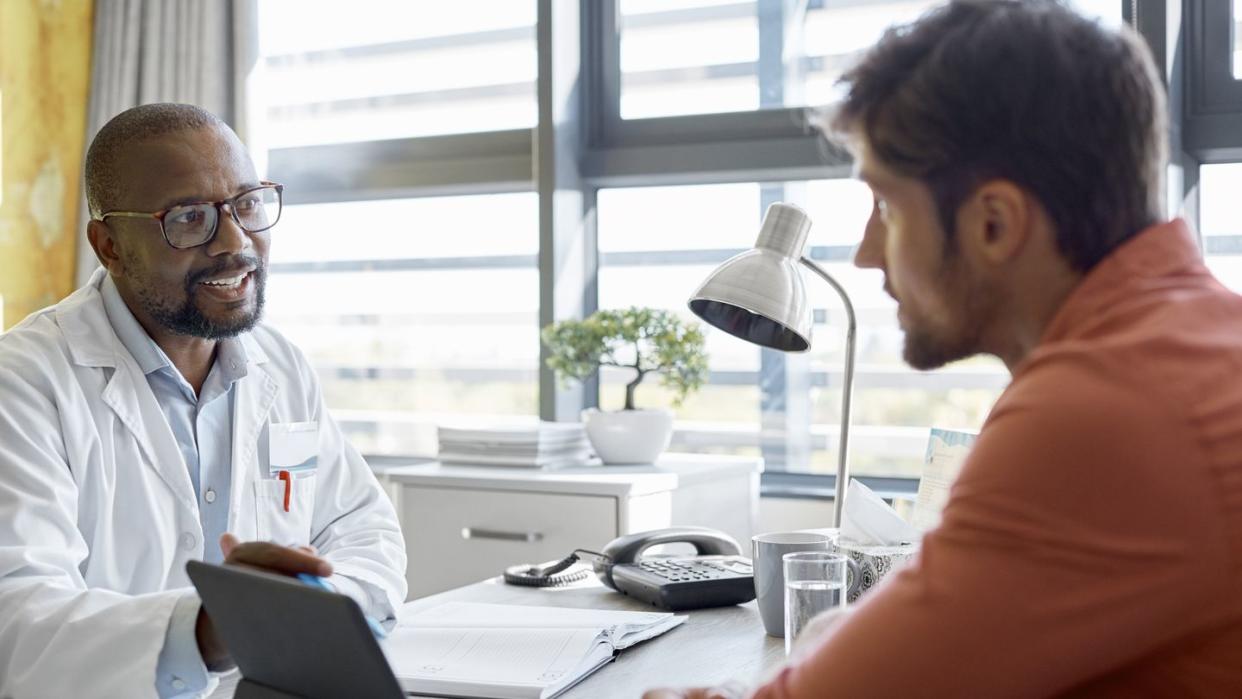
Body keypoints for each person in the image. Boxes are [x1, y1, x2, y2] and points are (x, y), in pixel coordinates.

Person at [647, 1, 1242, 697]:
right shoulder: (1194, 345)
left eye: (888, 208)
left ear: (994, 222)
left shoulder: (1102, 410)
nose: (868, 255)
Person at [0, 103, 406, 698]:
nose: (236, 242)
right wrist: (207, 630)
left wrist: (312, 612)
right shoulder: (24, 383)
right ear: (109, 244)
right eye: (190, 218)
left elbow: (363, 531)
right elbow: (17, 618)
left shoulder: (281, 364)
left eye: (247, 204)